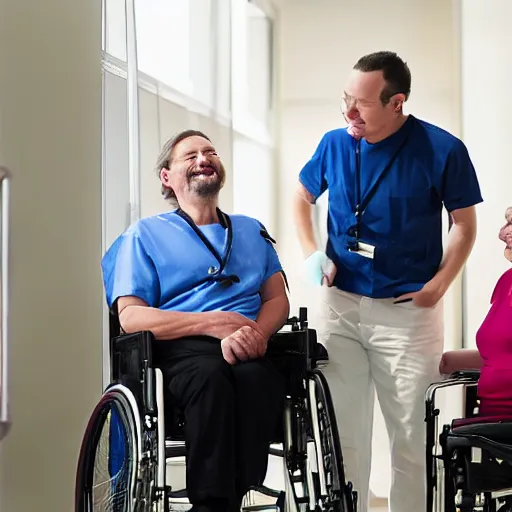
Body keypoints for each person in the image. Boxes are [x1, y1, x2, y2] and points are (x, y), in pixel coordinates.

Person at [293, 51, 483, 512]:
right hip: (340, 307)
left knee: (411, 440)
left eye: (362, 104)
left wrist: (440, 285)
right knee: (344, 435)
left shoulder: (442, 149)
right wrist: (313, 253)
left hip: (407, 315)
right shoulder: (335, 143)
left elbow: (464, 223)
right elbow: (302, 196)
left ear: (396, 102)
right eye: (345, 100)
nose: (349, 113)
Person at [102, 129, 289, 512]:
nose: (203, 158)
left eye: (210, 152)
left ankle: (232, 497)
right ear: (167, 177)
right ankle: (212, 503)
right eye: (190, 155)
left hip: (247, 345)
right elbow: (131, 316)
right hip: (178, 352)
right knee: (209, 379)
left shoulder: (252, 230)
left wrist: (255, 334)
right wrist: (209, 324)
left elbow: (276, 299)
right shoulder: (145, 235)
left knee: (258, 380)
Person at [440, 206, 512, 417]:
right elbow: (501, 354)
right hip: (490, 414)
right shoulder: (506, 281)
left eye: (510, 224)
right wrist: (443, 361)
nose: (501, 234)